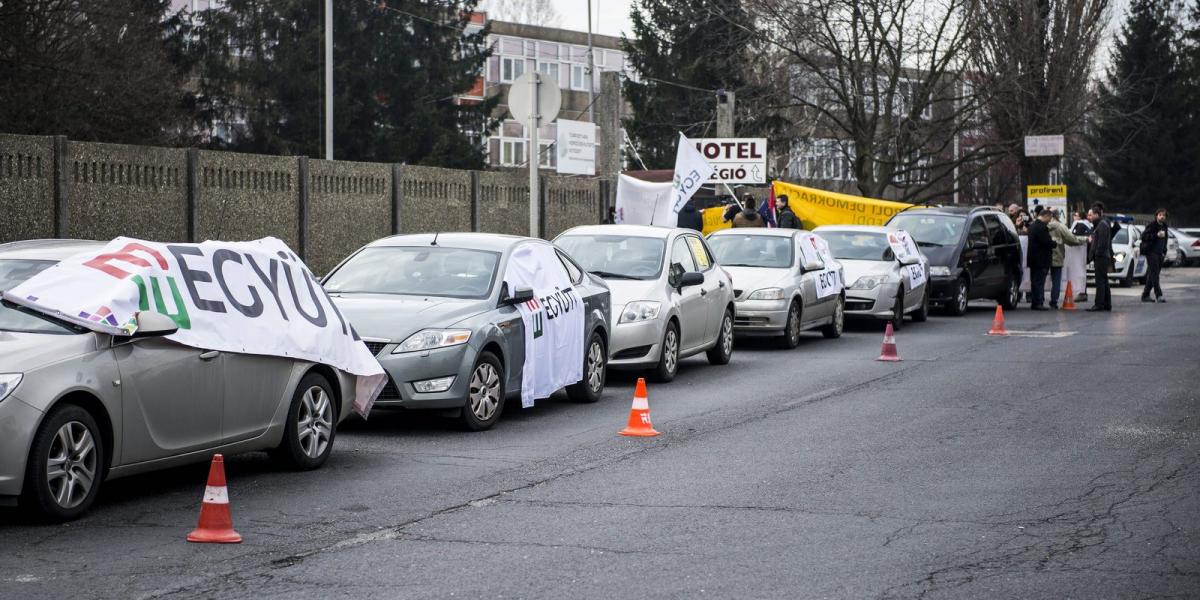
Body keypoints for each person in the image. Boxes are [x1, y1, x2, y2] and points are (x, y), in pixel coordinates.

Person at [1047, 209, 1083, 308]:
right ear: (1058, 216)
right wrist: (1084, 240)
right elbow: (1072, 240)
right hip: (1057, 257)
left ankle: (1038, 300)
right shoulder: (1061, 227)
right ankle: (1054, 302)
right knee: (1056, 282)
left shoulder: (1043, 226)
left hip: (1044, 257)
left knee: (1040, 280)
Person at [1026, 209, 1056, 310]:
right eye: (1050, 218)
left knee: (1034, 281)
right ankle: (1038, 302)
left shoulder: (1032, 226)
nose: (1050, 220)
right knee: (1039, 282)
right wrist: (1054, 243)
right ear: (1046, 216)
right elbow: (1047, 242)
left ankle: (1035, 302)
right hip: (1042, 259)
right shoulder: (1042, 227)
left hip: (1032, 259)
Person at [1140, 208, 1169, 303]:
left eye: (1164, 215)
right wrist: (1156, 235)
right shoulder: (1152, 225)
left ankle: (1145, 295)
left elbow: (1165, 240)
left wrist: (1164, 251)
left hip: (1160, 253)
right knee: (1155, 275)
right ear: (1156, 216)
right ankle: (1159, 295)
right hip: (1151, 253)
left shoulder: (1165, 226)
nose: (1162, 217)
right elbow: (1144, 236)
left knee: (1152, 275)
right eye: (1160, 215)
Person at [1086, 204, 1113, 311]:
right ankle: (1106, 304)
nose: (1089, 217)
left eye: (1091, 215)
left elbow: (1101, 243)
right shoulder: (1100, 224)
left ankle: (1099, 304)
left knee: (1100, 281)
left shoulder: (1101, 225)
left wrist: (1096, 254)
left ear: (1097, 214)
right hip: (1102, 256)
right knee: (1104, 281)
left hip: (1101, 257)